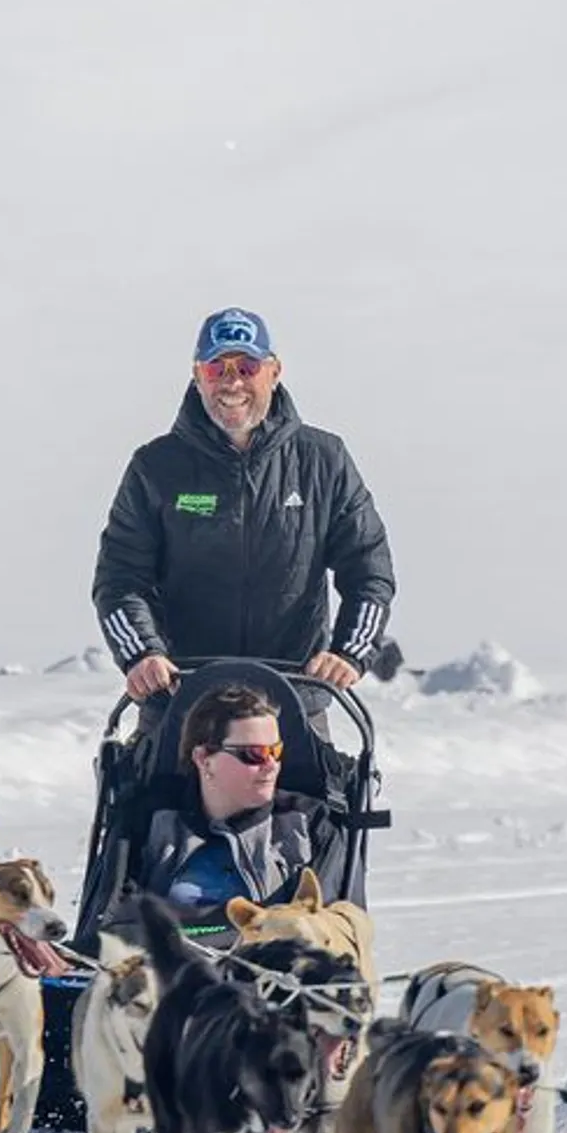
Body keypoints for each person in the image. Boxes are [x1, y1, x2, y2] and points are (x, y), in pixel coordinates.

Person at [93, 308, 396, 708]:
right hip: (181, 702)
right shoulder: (155, 467)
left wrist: (347, 654)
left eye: (247, 366)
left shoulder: (324, 460)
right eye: (217, 368)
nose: (232, 381)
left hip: (292, 703)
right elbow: (120, 579)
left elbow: (369, 570)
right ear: (197, 375)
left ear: (274, 370)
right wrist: (142, 655)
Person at [135, 682, 344, 922]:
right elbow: (111, 920)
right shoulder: (151, 821)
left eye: (275, 752)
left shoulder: (308, 824)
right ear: (204, 758)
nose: (271, 766)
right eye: (254, 754)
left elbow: (328, 929)